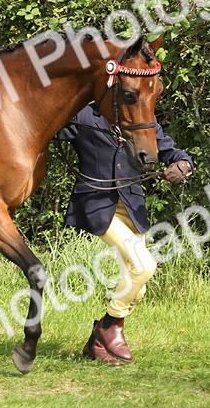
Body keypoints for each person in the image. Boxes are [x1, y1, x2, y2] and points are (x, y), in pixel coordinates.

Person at [55, 104, 194, 365]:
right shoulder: (83, 114)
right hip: (96, 205)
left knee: (136, 286)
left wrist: (183, 164)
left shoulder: (144, 117)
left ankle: (96, 344)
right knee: (144, 266)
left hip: (131, 205)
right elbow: (45, 124)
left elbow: (170, 150)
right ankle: (109, 327)